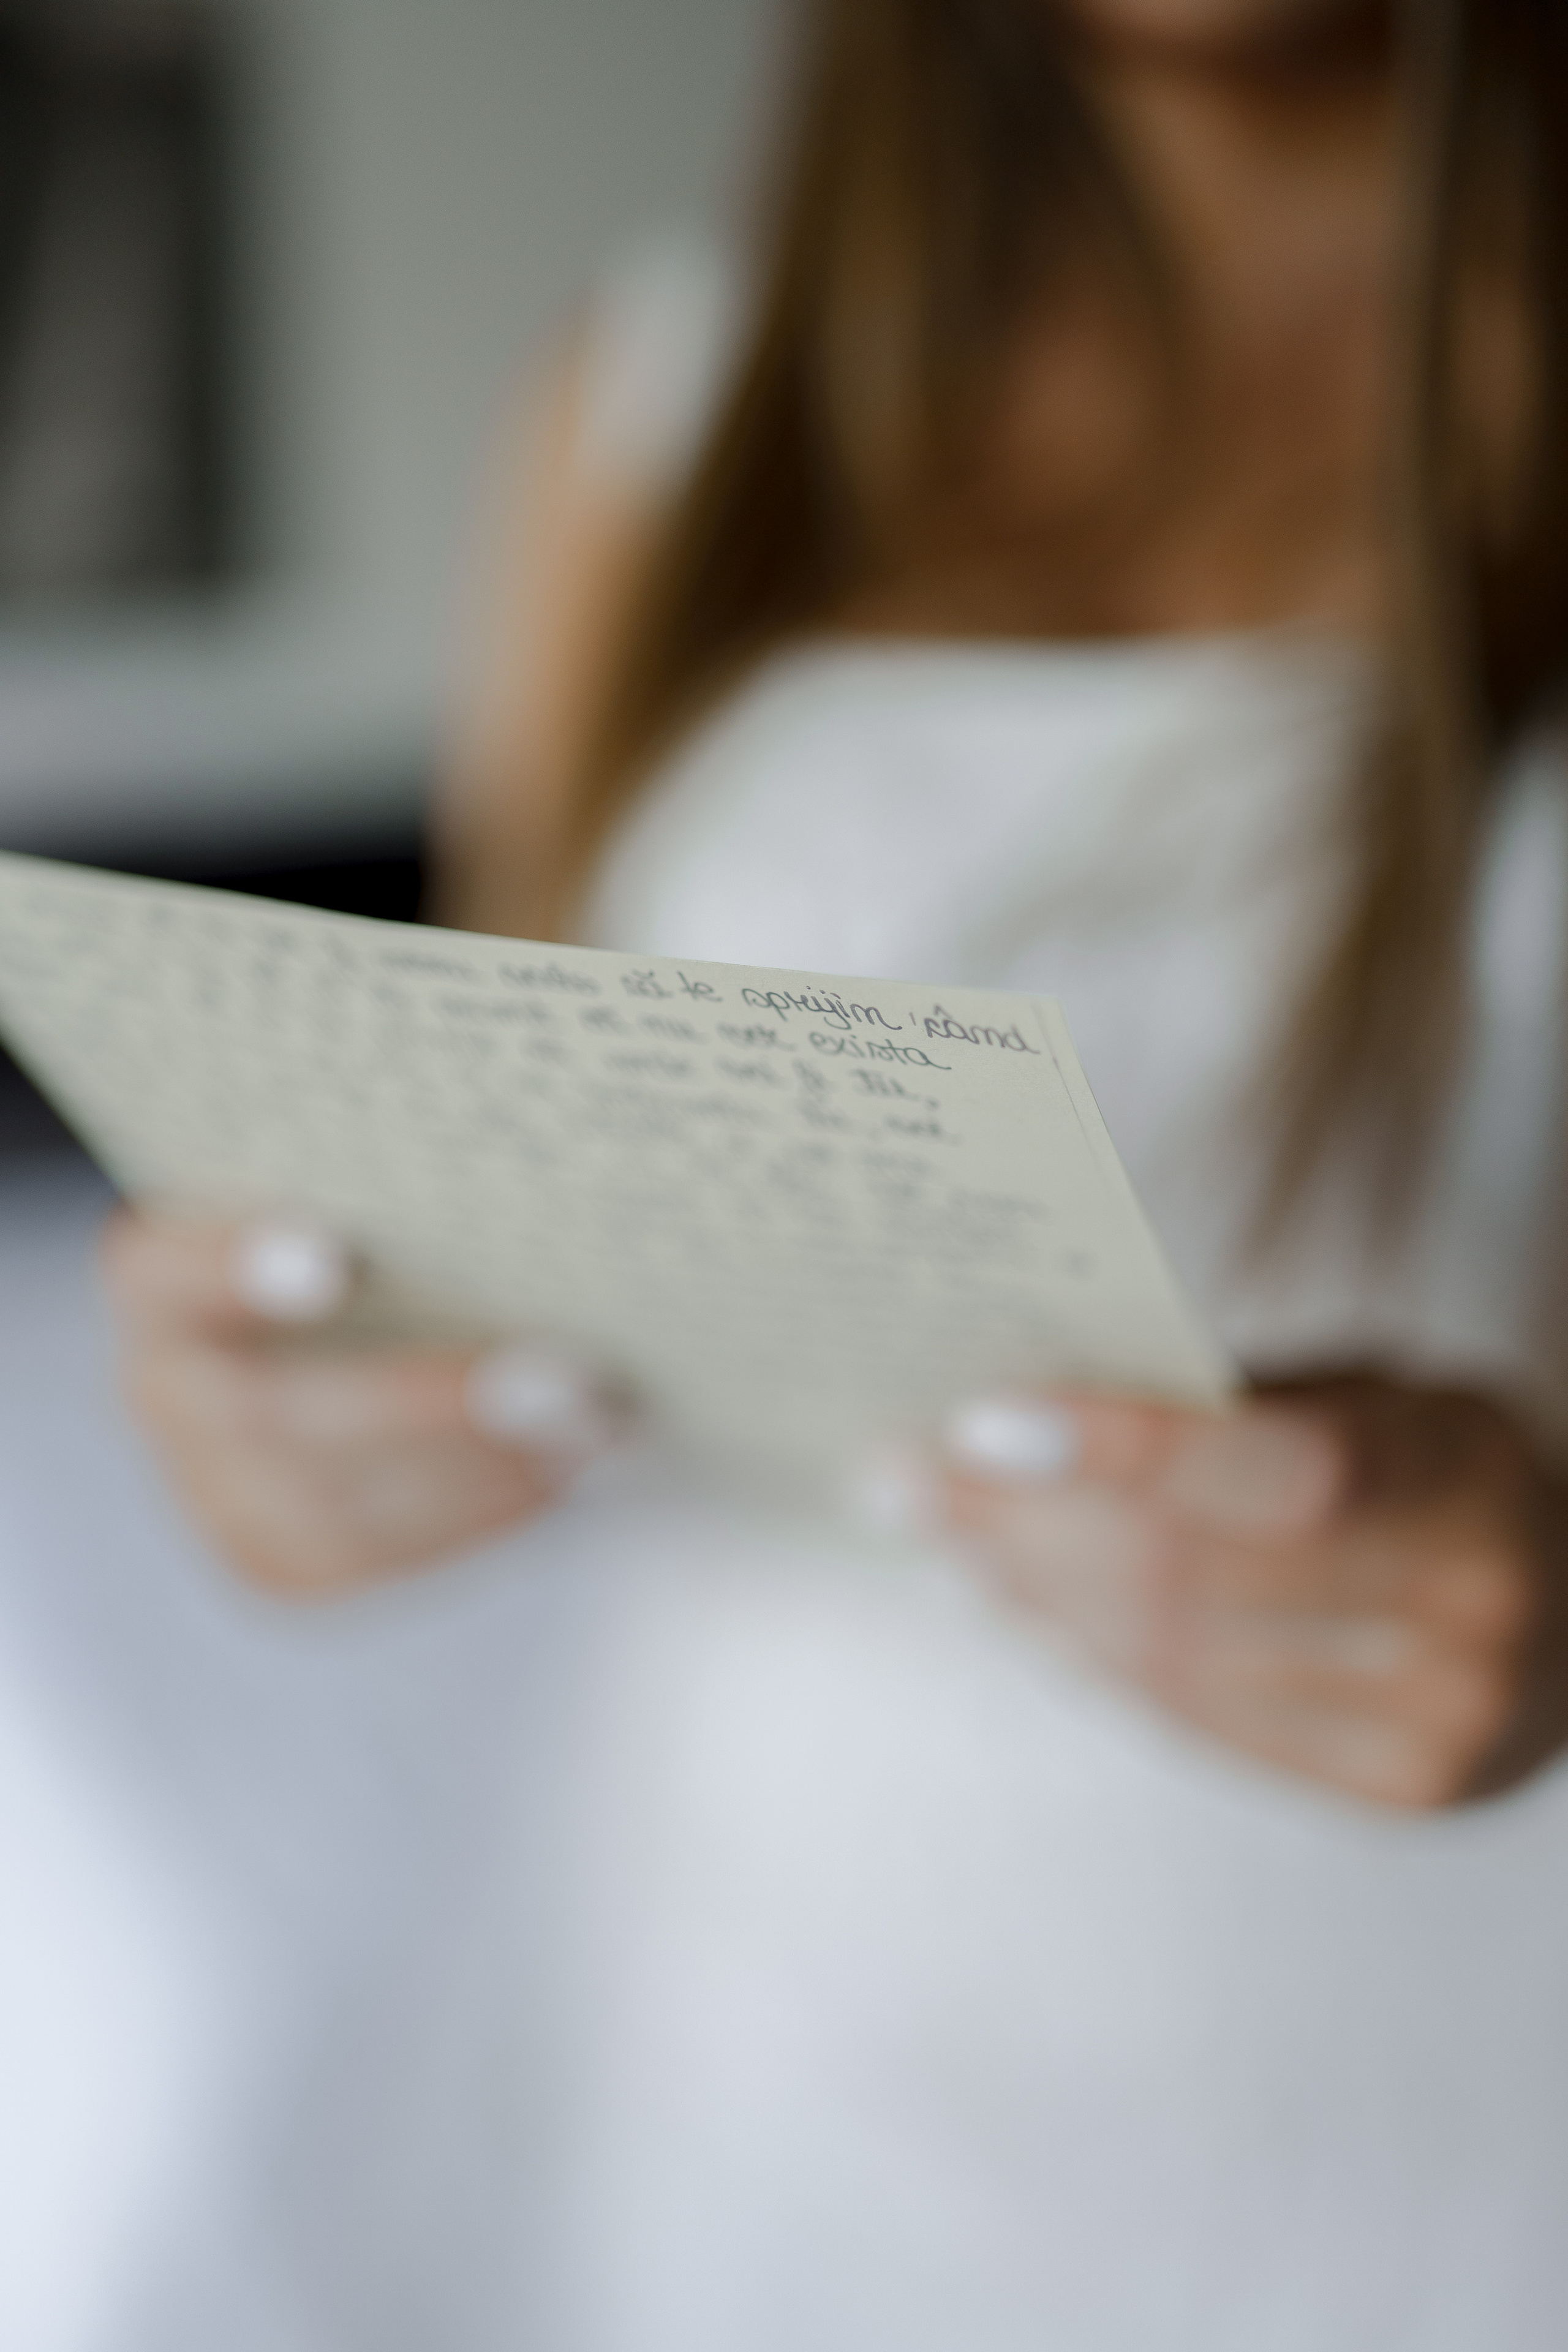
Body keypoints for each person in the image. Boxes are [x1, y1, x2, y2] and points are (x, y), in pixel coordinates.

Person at [99, 0, 1568, 2342]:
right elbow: (497, 1213)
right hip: (764, 2011)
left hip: (1441, 2065)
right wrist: (289, 1414)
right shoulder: (662, 407)